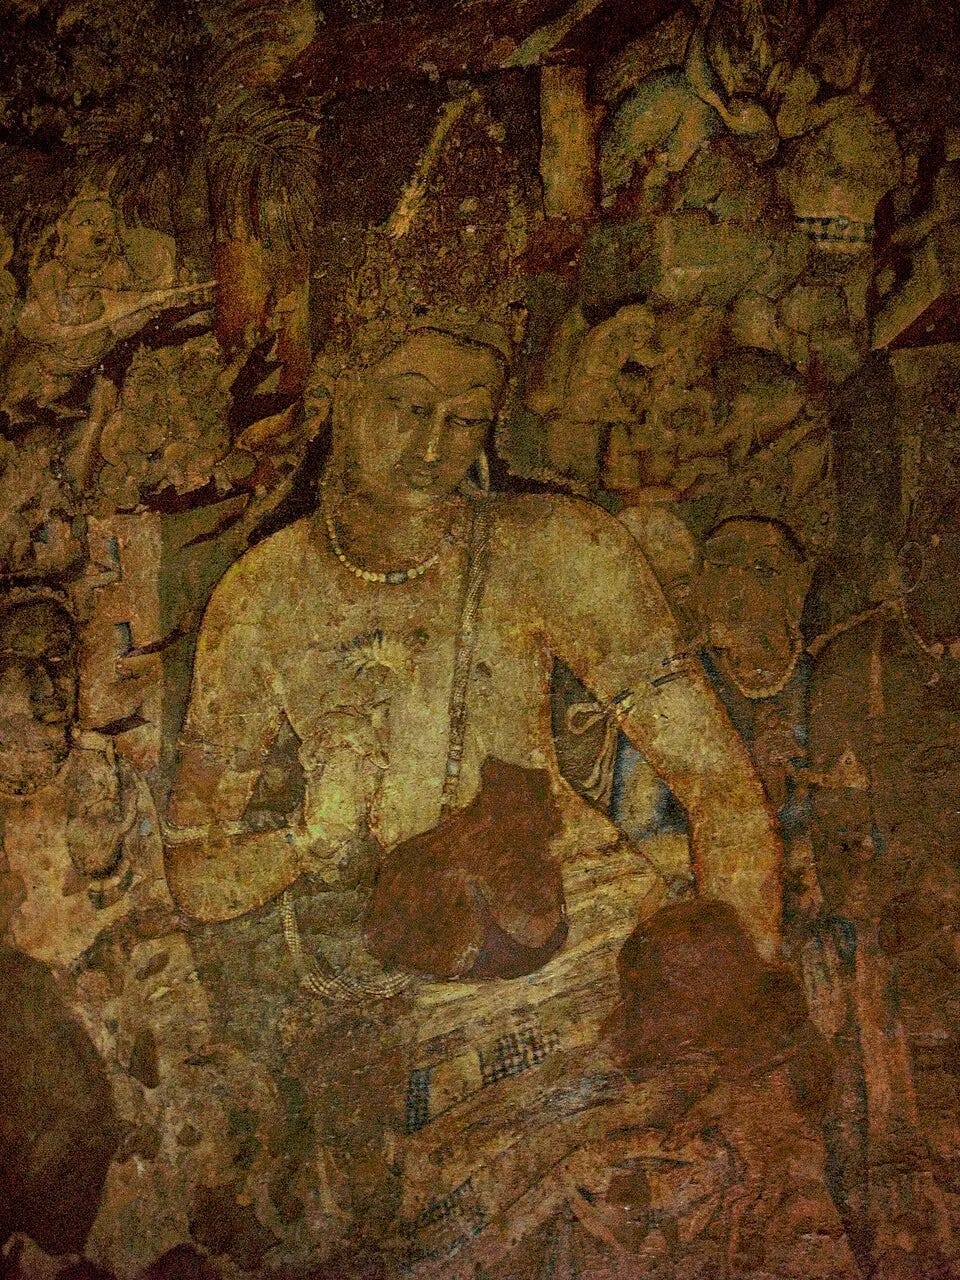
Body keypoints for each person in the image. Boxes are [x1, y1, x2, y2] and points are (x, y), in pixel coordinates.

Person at [165, 311, 789, 1269]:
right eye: (407, 407)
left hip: (593, 969)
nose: (432, 449)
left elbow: (722, 792)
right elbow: (194, 876)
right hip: (397, 1001)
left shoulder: (557, 547)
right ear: (340, 394)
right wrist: (306, 842)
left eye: (465, 419)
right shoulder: (260, 598)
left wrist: (722, 1020)